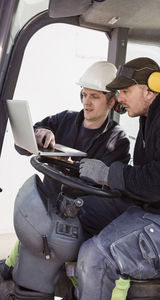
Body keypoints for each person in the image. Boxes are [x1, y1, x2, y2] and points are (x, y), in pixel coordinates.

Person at [77, 57, 160, 300]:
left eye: (125, 91)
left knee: (97, 256)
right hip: (154, 208)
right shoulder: (149, 117)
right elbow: (145, 179)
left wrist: (109, 175)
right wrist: (105, 180)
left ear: (150, 89)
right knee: (78, 214)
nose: (119, 99)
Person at [0, 61, 130, 289]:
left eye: (95, 97)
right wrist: (39, 133)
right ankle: (11, 269)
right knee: (31, 231)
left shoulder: (117, 141)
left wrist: (71, 167)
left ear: (111, 101)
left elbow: (106, 189)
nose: (86, 102)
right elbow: (23, 144)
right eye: (84, 95)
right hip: (47, 208)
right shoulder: (64, 120)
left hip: (78, 217)